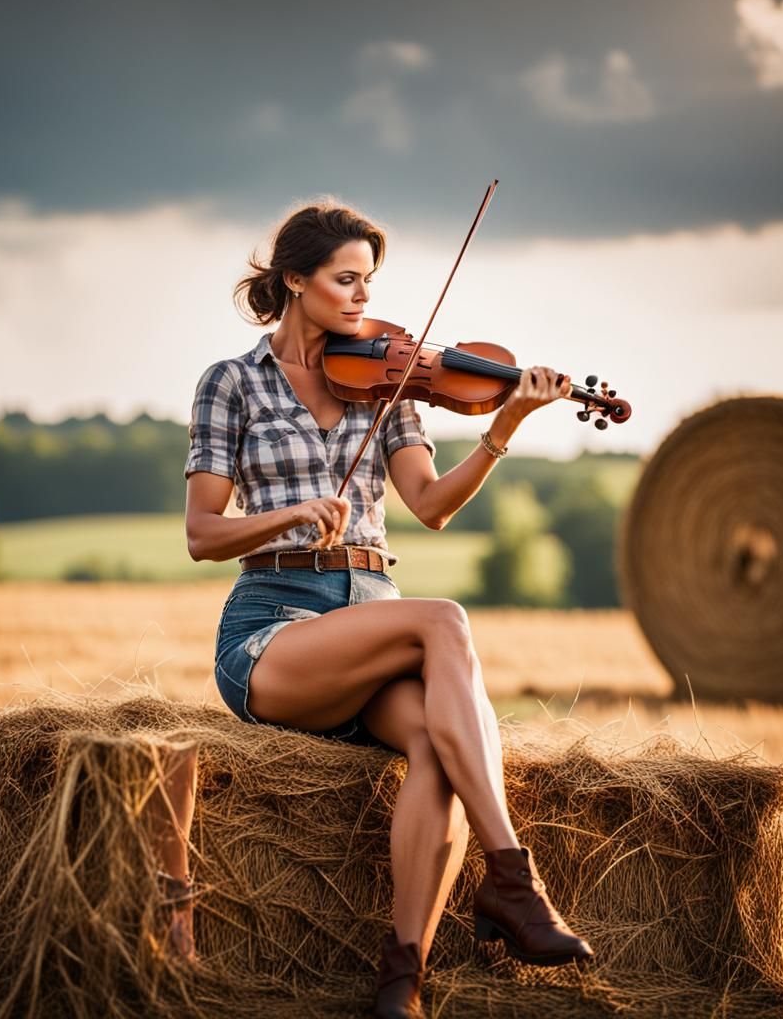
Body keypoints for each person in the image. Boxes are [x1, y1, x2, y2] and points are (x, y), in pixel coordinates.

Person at [184, 199, 594, 1019]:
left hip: (372, 613)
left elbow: (431, 505)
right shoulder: (232, 383)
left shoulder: (388, 381)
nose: (363, 299)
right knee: (444, 619)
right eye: (345, 280)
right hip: (275, 627)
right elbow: (202, 533)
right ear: (294, 280)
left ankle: (399, 981)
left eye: (369, 282)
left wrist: (504, 424)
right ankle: (514, 880)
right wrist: (289, 516)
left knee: (437, 746)